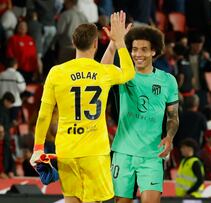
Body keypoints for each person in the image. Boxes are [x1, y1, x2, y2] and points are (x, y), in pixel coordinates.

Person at [30, 11, 135, 203]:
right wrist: (119, 41)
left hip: (66, 151)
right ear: (96, 44)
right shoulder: (104, 72)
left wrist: (38, 147)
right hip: (95, 152)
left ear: (73, 41)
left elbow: (44, 115)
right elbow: (129, 72)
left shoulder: (56, 72)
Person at [102, 25, 179, 203]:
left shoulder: (167, 81)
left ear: (154, 51)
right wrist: (115, 42)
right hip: (122, 152)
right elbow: (102, 72)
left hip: (152, 155)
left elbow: (173, 117)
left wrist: (169, 136)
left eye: (144, 49)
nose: (138, 54)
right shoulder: (123, 75)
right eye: (135, 49)